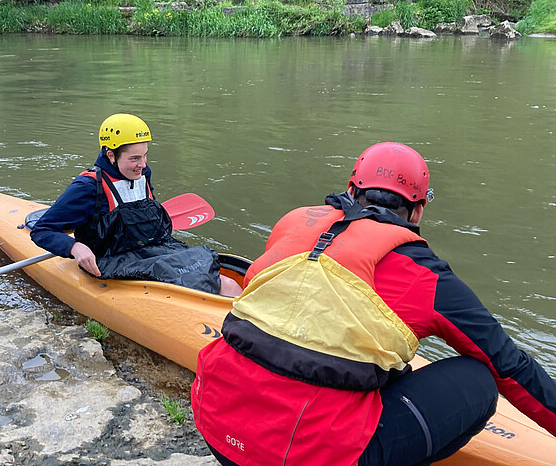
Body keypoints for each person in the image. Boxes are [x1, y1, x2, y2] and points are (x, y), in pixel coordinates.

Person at [191, 142, 556, 466]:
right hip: (305, 454)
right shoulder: (426, 275)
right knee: (479, 379)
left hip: (214, 422)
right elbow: (509, 366)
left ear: (350, 190)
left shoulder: (294, 222)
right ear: (417, 213)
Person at [30, 113, 241, 296]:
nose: (142, 164)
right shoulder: (88, 186)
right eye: (134, 158)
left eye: (145, 155)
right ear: (111, 155)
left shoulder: (142, 174)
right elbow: (42, 231)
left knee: (229, 284)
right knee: (220, 286)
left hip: (154, 252)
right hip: (112, 261)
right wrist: (74, 247)